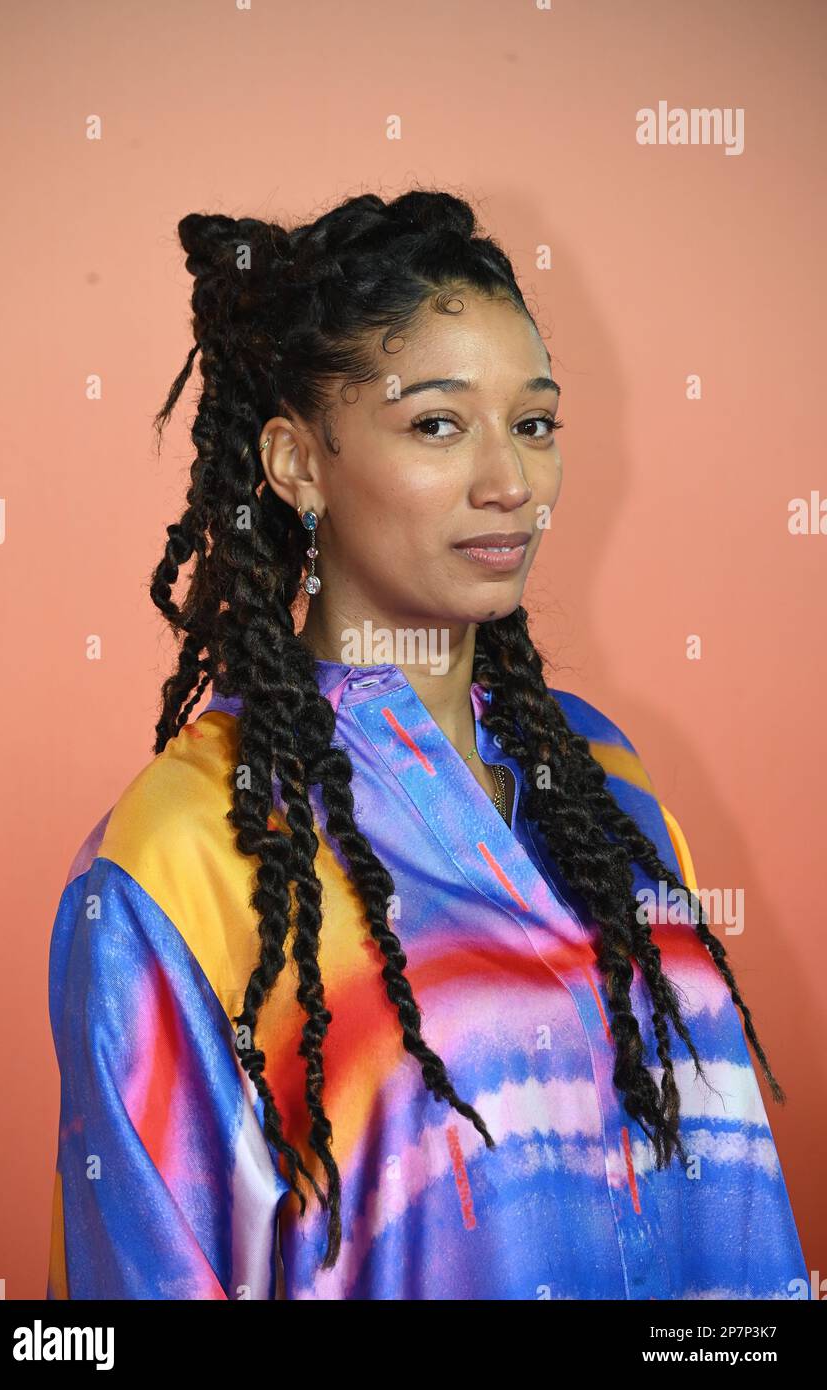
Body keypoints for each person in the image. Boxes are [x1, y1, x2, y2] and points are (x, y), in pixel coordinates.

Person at [46, 189, 807, 1300]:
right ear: (297, 463)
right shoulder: (183, 853)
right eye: (438, 424)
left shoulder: (606, 784)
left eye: (535, 423)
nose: (511, 483)